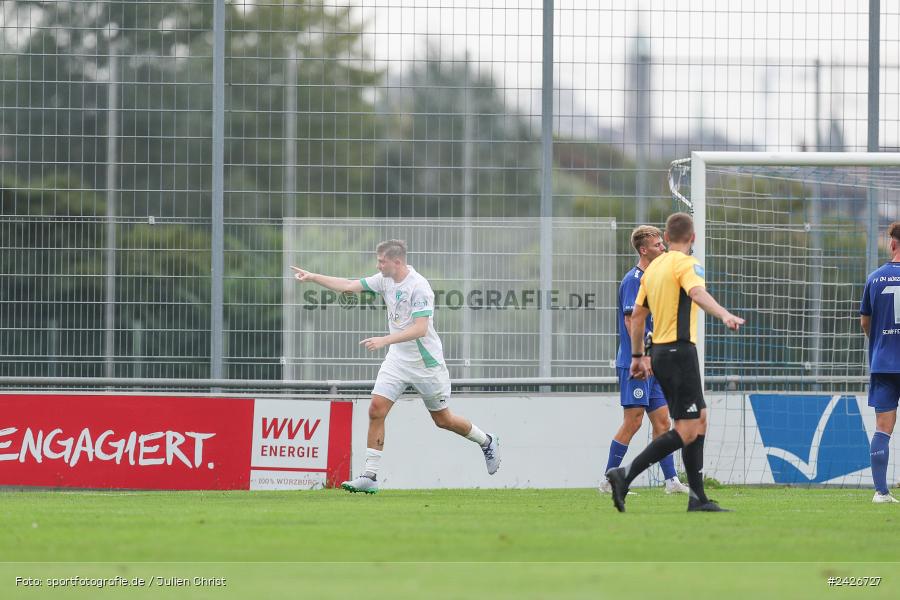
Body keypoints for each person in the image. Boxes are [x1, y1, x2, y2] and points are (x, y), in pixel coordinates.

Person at [291, 239, 500, 494]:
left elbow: (420, 329)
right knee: (376, 409)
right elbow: (348, 286)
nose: (378, 265)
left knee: (443, 420)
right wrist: (312, 277)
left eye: (382, 261)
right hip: (398, 359)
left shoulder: (419, 287)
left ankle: (486, 440)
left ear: (397, 262)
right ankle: (369, 475)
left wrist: (385, 340)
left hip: (426, 363)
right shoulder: (384, 279)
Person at [605, 212, 744, 512]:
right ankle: (624, 475)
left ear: (666, 239)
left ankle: (697, 497)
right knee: (686, 429)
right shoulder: (684, 263)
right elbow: (696, 292)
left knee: (696, 419)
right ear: (692, 238)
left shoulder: (653, 270)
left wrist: (640, 356)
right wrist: (723, 314)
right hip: (679, 353)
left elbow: (639, 316)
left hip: (659, 356)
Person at [599, 225, 689, 495]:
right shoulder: (634, 280)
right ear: (643, 249)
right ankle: (608, 480)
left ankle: (671, 481)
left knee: (662, 422)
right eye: (658, 244)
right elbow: (631, 320)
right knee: (634, 421)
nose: (662, 247)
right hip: (636, 364)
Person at [860, 221, 900, 504]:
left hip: (884, 361)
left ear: (893, 244)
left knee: (882, 427)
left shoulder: (875, 278)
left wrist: (879, 341)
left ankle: (880, 492)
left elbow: (865, 322)